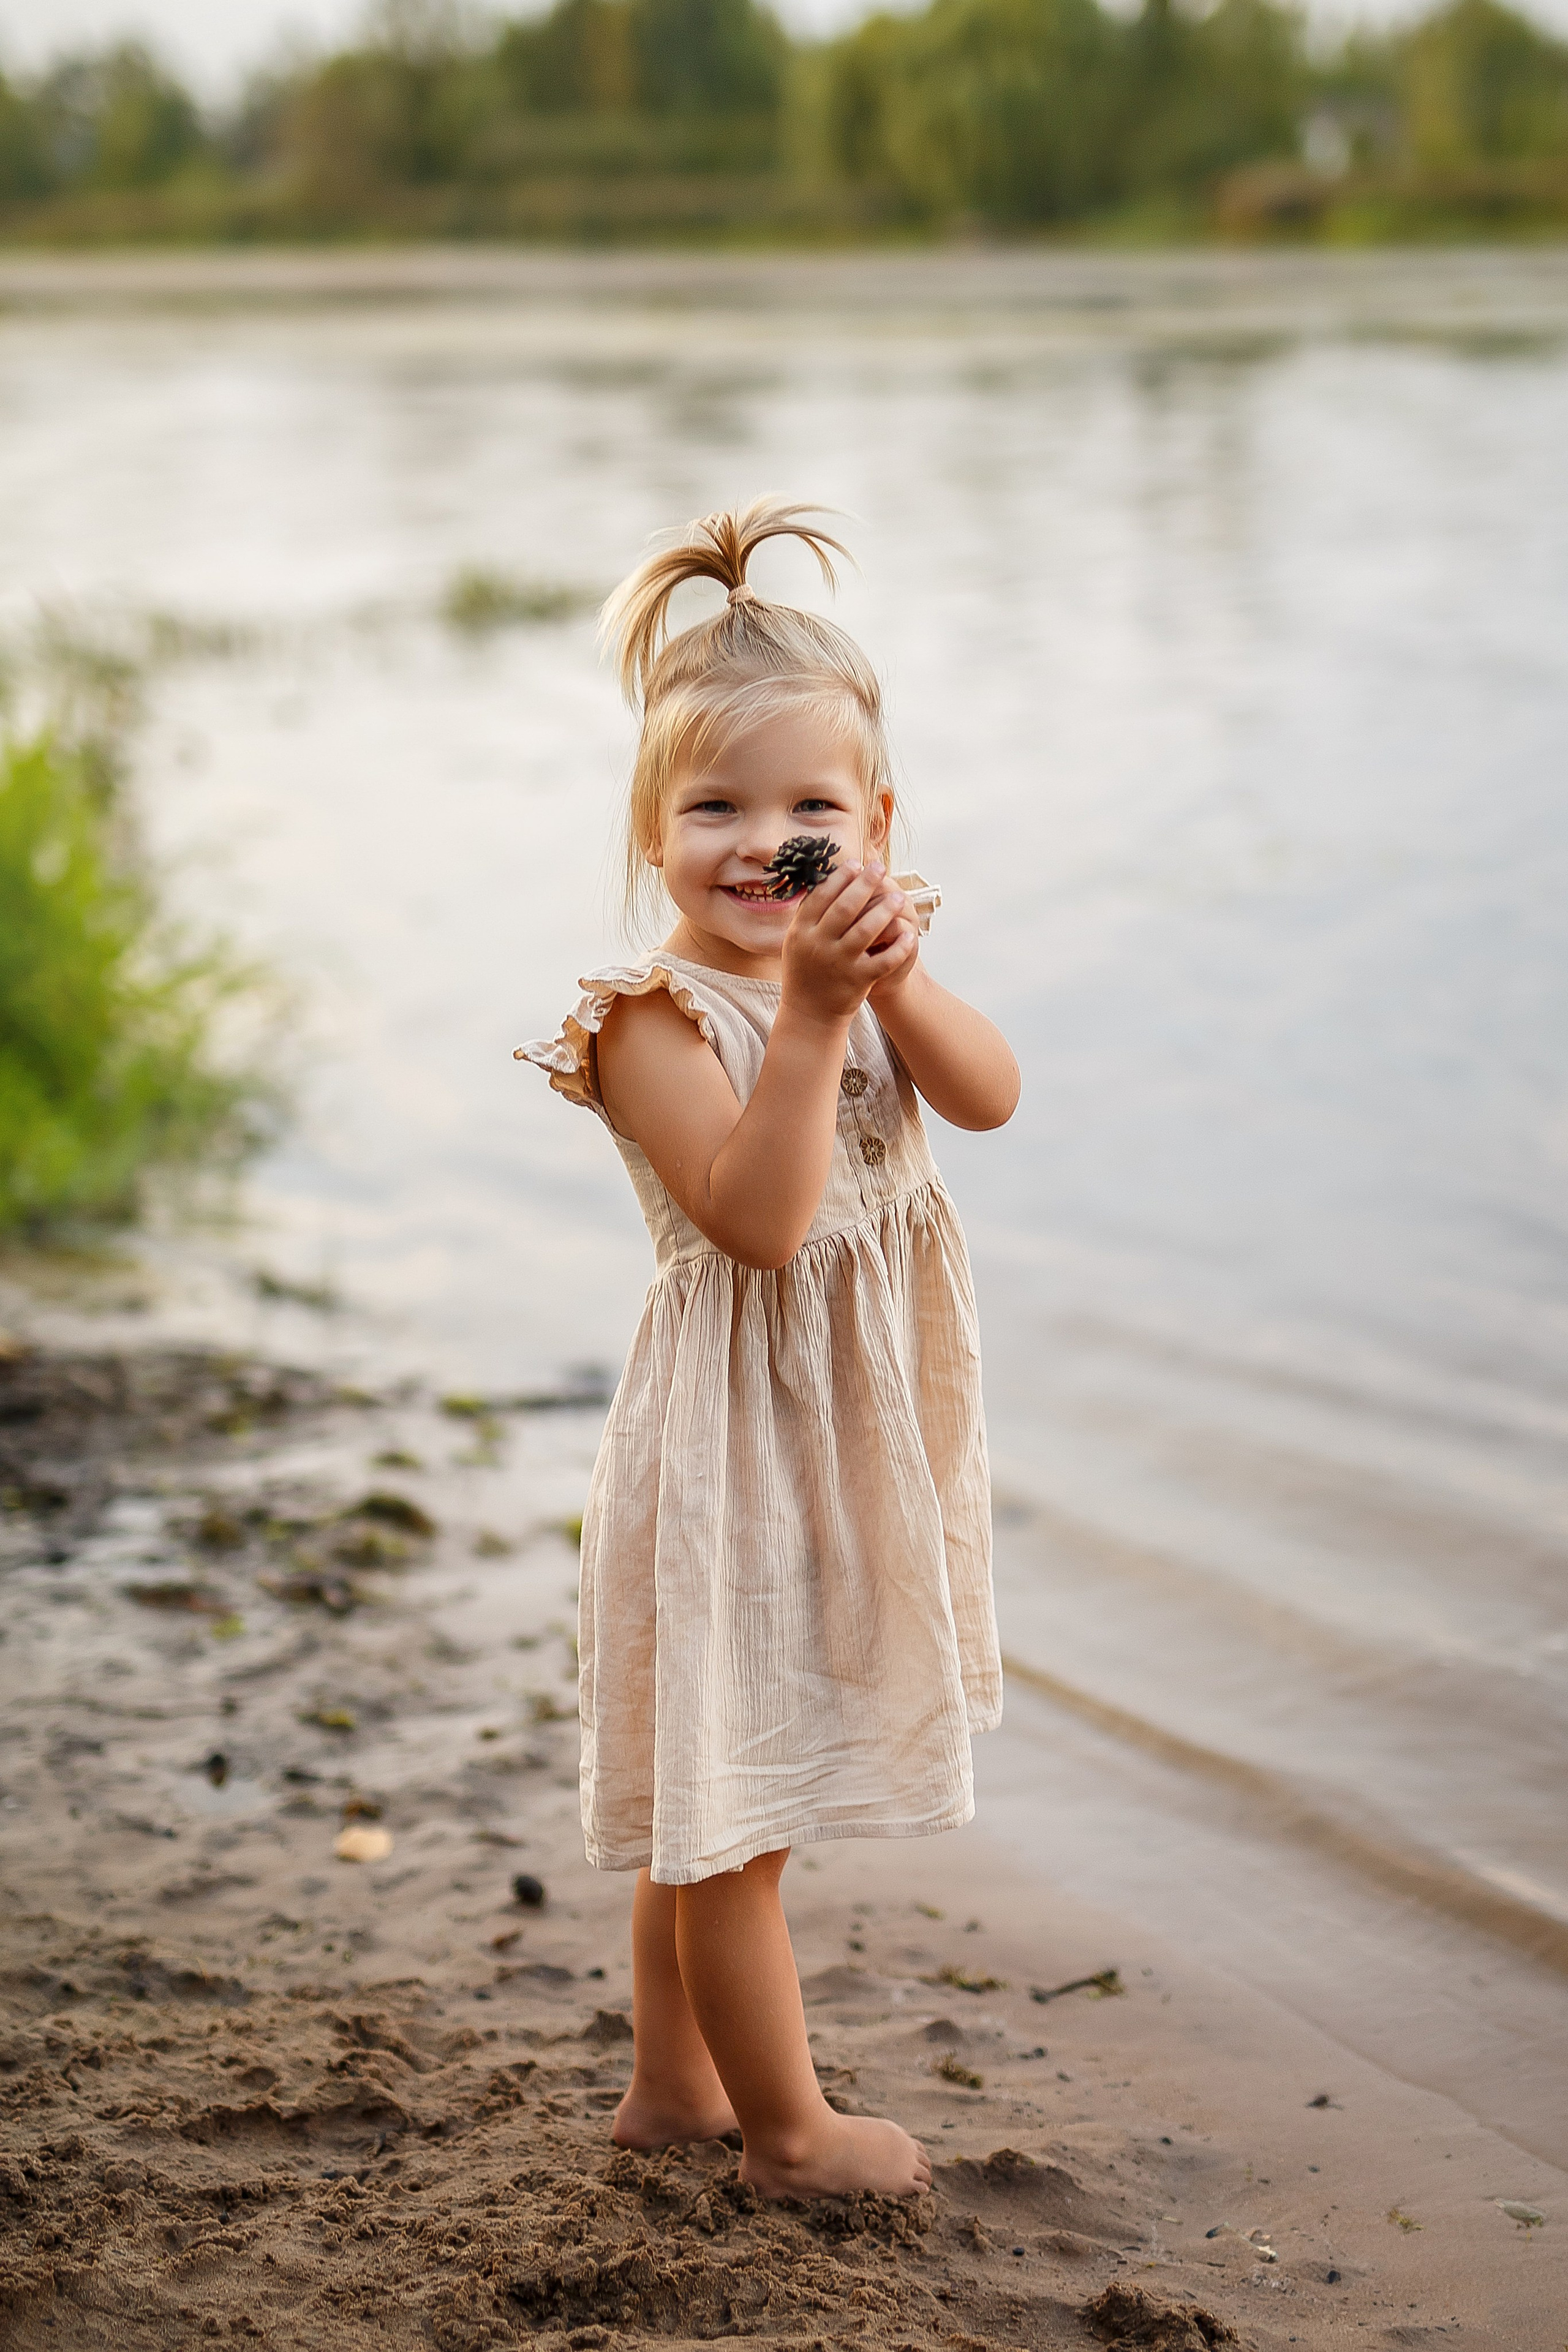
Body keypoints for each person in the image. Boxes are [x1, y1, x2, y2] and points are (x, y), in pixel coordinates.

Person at [516, 497, 1020, 2199]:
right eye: (717, 809)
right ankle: (787, 2134)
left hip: (843, 1441)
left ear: (874, 824)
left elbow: (990, 1097)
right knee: (726, 1815)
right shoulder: (650, 1020)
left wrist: (888, 986)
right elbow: (759, 1220)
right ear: (653, 831)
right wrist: (807, 1016)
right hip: (731, 1448)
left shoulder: (853, 964)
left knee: (726, 1793)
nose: (766, 845)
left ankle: (672, 2087)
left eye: (812, 810)